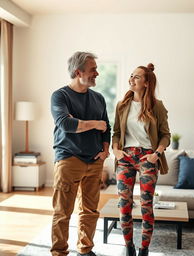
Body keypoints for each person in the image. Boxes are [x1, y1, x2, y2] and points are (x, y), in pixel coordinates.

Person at [50, 51, 111, 256]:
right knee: (62, 211)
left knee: (90, 211)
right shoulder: (60, 96)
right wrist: (95, 124)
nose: (97, 73)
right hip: (69, 160)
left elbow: (107, 128)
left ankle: (85, 250)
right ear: (78, 72)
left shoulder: (99, 98)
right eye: (93, 69)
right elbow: (66, 124)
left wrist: (105, 150)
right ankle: (59, 252)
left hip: (94, 161)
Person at [112, 63, 171, 256]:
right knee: (124, 203)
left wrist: (157, 154)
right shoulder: (122, 105)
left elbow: (165, 135)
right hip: (126, 157)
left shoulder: (157, 106)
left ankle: (144, 249)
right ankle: (128, 246)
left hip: (148, 158)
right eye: (131, 75)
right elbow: (116, 133)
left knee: (146, 204)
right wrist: (116, 151)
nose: (131, 79)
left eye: (136, 77)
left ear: (146, 83)